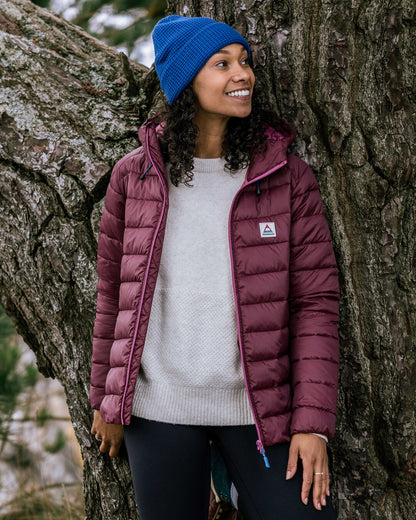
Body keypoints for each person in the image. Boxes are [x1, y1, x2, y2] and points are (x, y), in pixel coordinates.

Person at [89, 14, 340, 520]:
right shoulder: (134, 176)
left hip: (261, 410)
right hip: (159, 407)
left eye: (244, 61)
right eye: (222, 64)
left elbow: (316, 303)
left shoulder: (286, 177)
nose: (243, 74)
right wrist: (107, 399)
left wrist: (313, 424)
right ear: (186, 82)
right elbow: (114, 293)